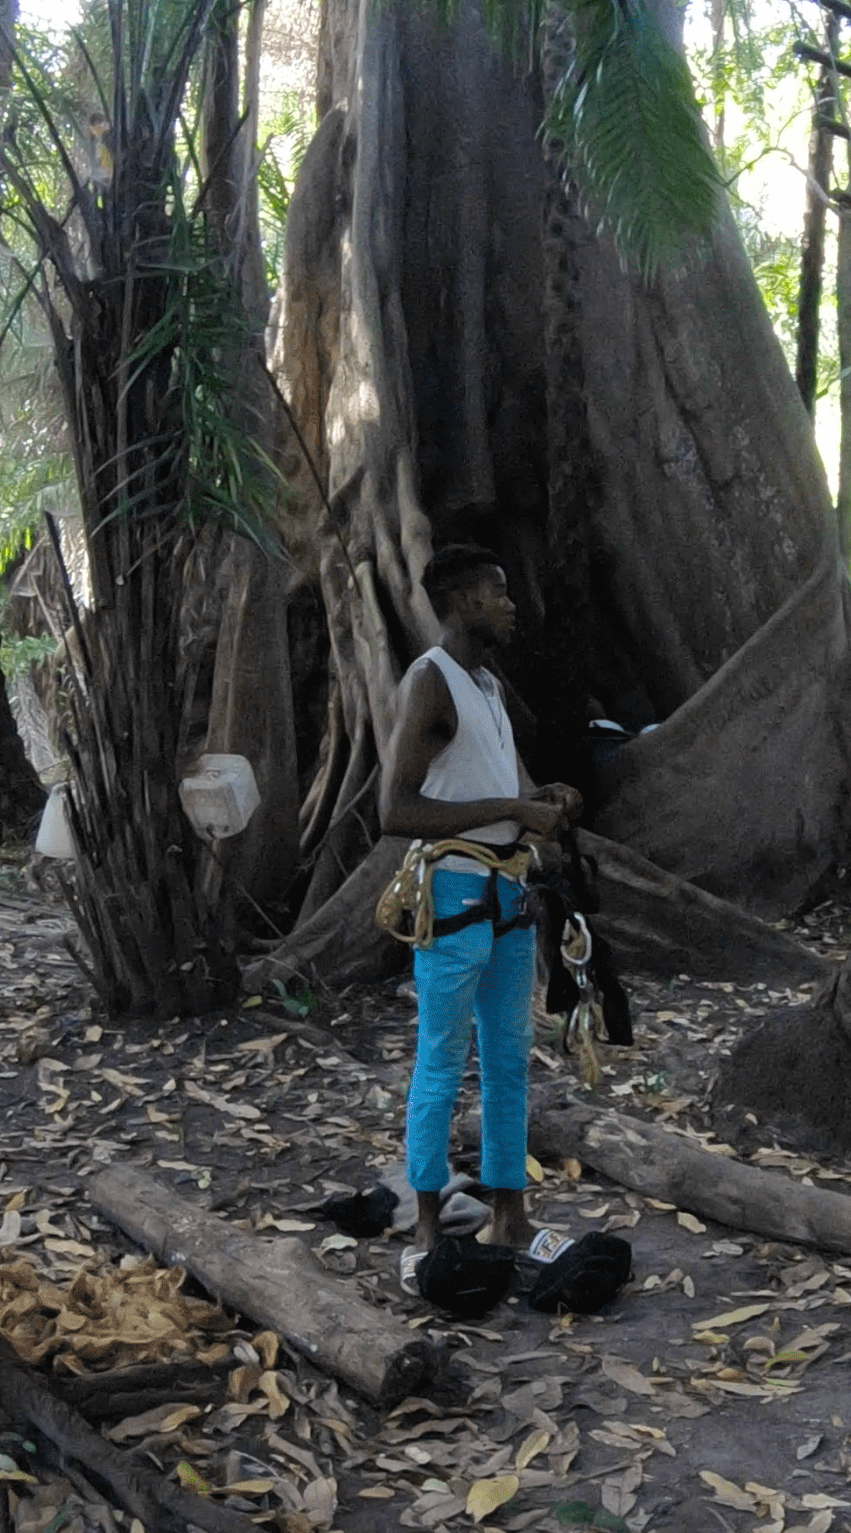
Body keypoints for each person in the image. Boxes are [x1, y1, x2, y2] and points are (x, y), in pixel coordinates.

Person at [381, 544, 578, 1270]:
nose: (511, 604)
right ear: (464, 603)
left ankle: (509, 1213)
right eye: (498, 593)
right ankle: (428, 1223)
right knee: (442, 1059)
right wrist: (507, 810)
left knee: (507, 1060)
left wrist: (545, 802)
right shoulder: (431, 683)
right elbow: (395, 810)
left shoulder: (488, 687)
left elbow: (509, 790)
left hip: (508, 892)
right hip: (455, 892)